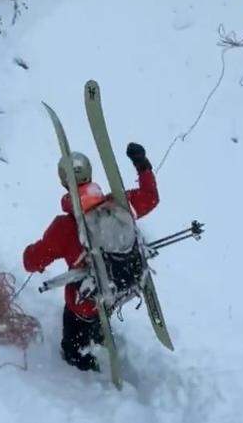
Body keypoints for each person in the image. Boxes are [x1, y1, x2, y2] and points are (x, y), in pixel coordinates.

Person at [22, 143, 159, 372]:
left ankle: (81, 370)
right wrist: (142, 165)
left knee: (74, 347)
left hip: (83, 304)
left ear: (64, 182)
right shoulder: (117, 206)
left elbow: (31, 262)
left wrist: (32, 254)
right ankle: (98, 334)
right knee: (99, 310)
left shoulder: (65, 227)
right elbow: (150, 197)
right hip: (117, 289)